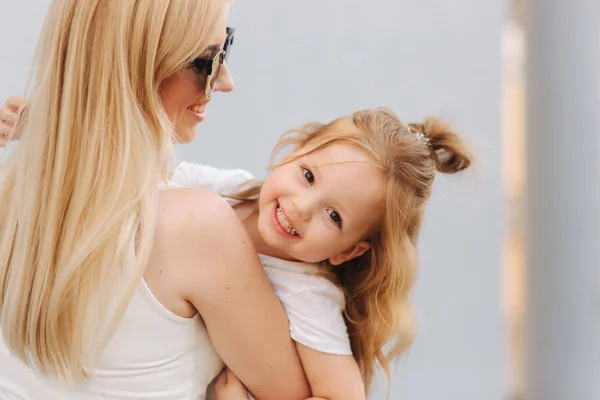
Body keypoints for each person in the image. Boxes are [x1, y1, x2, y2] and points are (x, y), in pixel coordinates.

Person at [0, 1, 310, 399]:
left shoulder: (12, 195)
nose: (226, 81)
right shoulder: (196, 227)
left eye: (225, 48)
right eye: (206, 62)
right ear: (135, 67)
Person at [168, 108, 473, 399]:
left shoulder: (307, 292)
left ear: (348, 251)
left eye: (333, 216)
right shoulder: (228, 189)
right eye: (309, 177)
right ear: (295, 151)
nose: (302, 207)